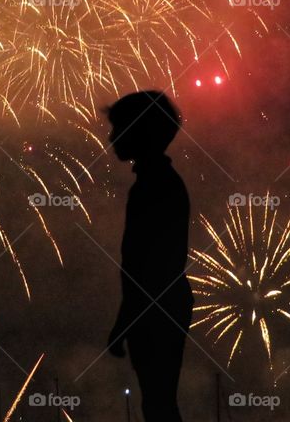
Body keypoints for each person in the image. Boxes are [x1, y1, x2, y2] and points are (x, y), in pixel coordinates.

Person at [106, 90, 192, 422]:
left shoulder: (152, 186)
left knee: (158, 404)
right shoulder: (161, 182)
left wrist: (126, 320)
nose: (112, 138)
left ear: (140, 132)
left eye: (119, 128)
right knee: (158, 402)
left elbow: (148, 267)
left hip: (157, 307)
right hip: (165, 305)